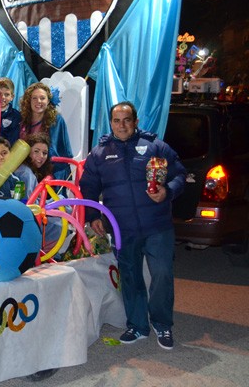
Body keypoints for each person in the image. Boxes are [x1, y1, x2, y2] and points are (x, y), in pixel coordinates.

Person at [79, 101, 186, 350]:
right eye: (117, 120)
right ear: (111, 124)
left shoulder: (156, 147)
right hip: (121, 228)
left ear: (136, 121)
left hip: (157, 226)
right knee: (130, 277)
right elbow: (89, 187)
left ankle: (162, 324)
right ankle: (137, 325)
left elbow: (180, 174)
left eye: (127, 120)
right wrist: (92, 215)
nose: (122, 125)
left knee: (161, 274)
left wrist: (167, 191)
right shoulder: (99, 153)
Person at [18, 82, 73, 179]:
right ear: (28, 101)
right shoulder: (22, 120)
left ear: (48, 101)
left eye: (42, 98)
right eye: (34, 98)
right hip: (27, 169)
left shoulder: (56, 120)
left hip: (52, 171)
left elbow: (59, 150)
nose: (38, 101)